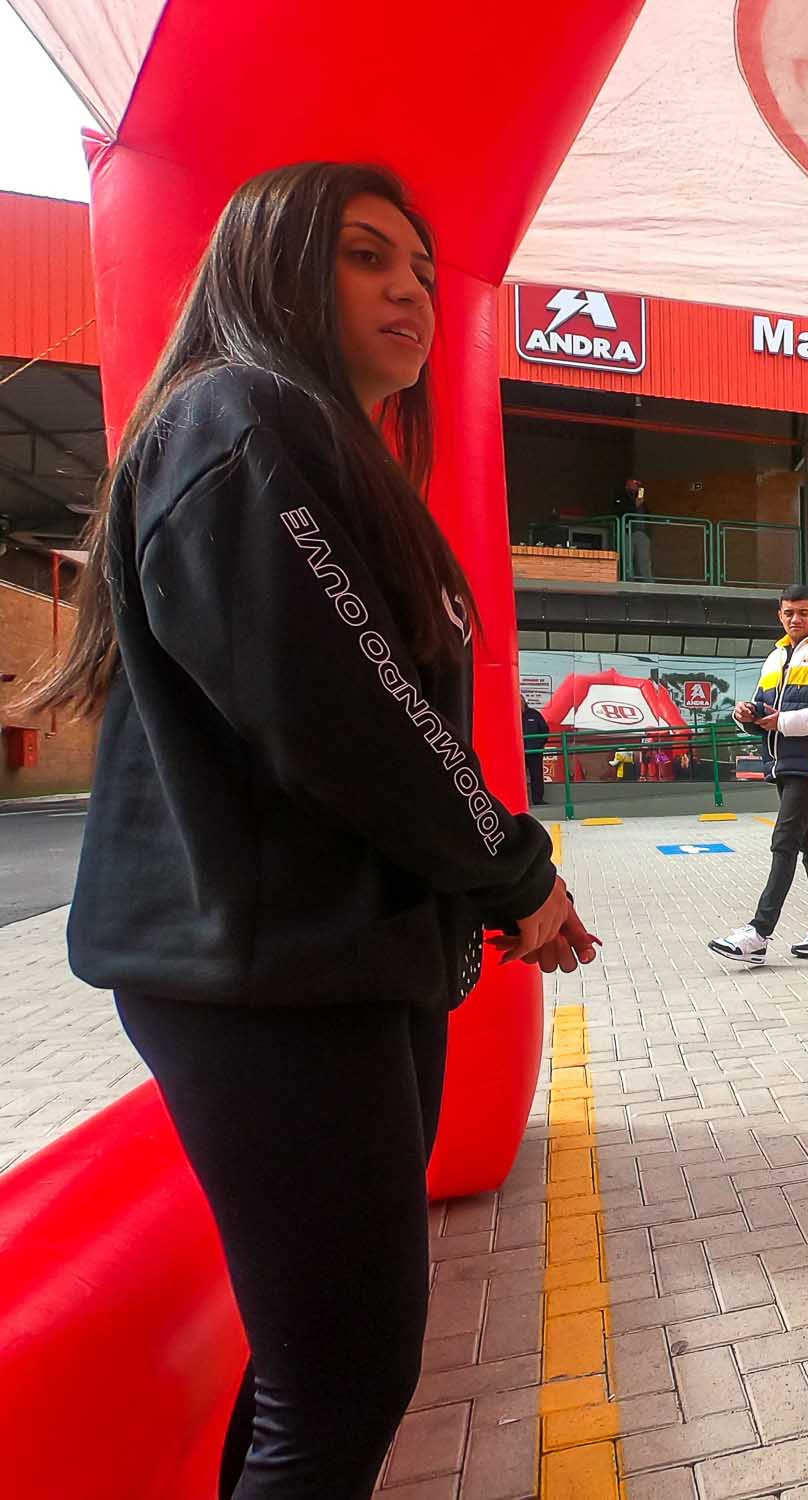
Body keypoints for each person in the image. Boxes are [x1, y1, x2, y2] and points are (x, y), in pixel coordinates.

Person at [15, 162, 600, 1500]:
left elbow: (383, 712)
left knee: (319, 1374)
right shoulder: (241, 421)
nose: (411, 291)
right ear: (272, 265)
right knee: (345, 1378)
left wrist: (494, 884)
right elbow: (356, 710)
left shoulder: (318, 446)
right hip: (269, 975)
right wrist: (514, 871)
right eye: (365, 256)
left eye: (422, 269)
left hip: (337, 962)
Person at [709, 585, 808, 965]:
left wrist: (782, 721)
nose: (796, 619)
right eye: (789, 613)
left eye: (803, 612)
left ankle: (759, 932)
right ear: (780, 615)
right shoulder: (775, 657)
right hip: (782, 761)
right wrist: (746, 715)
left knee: (785, 840)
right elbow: (765, 710)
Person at [611, 475, 651, 581]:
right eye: (634, 483)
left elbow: (647, 515)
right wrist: (635, 505)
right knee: (627, 558)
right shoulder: (621, 498)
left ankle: (648, 580)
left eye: (637, 484)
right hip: (627, 531)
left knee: (644, 559)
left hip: (642, 532)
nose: (636, 486)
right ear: (627, 485)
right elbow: (620, 511)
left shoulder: (640, 498)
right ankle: (628, 579)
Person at [522, 695, 551, 806]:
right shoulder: (510, 714)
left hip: (534, 752)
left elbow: (544, 730)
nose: (519, 704)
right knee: (517, 778)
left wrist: (538, 745)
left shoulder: (534, 714)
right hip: (517, 754)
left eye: (520, 702)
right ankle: (518, 801)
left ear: (524, 702)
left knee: (537, 776)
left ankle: (538, 800)